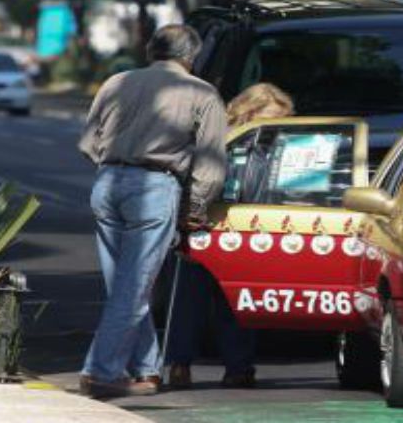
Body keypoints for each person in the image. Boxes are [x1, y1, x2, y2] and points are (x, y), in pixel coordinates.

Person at [77, 24, 228, 398]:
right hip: (154, 187)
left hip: (108, 183)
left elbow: (87, 143)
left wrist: (113, 164)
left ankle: (146, 369)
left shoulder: (116, 82)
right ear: (190, 58)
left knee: (127, 284)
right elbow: (211, 165)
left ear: (150, 51)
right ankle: (100, 370)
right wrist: (193, 209)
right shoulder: (202, 93)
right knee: (133, 287)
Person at [166, 83, 294, 389]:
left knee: (237, 302)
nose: (277, 127)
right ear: (248, 113)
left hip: (248, 231)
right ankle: (179, 365)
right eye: (271, 119)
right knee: (189, 300)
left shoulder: (276, 148)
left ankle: (239, 367)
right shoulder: (217, 139)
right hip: (204, 226)